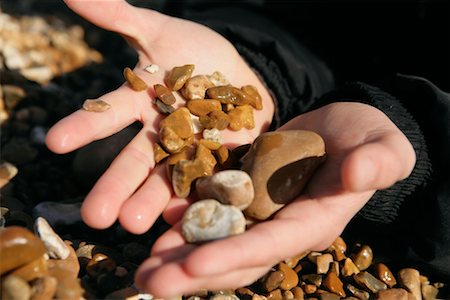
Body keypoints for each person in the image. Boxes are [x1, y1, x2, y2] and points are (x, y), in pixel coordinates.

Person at [45, 0, 449, 297]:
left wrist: (423, 152)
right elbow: (301, 18)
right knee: (113, 151)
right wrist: (259, 61)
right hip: (313, 61)